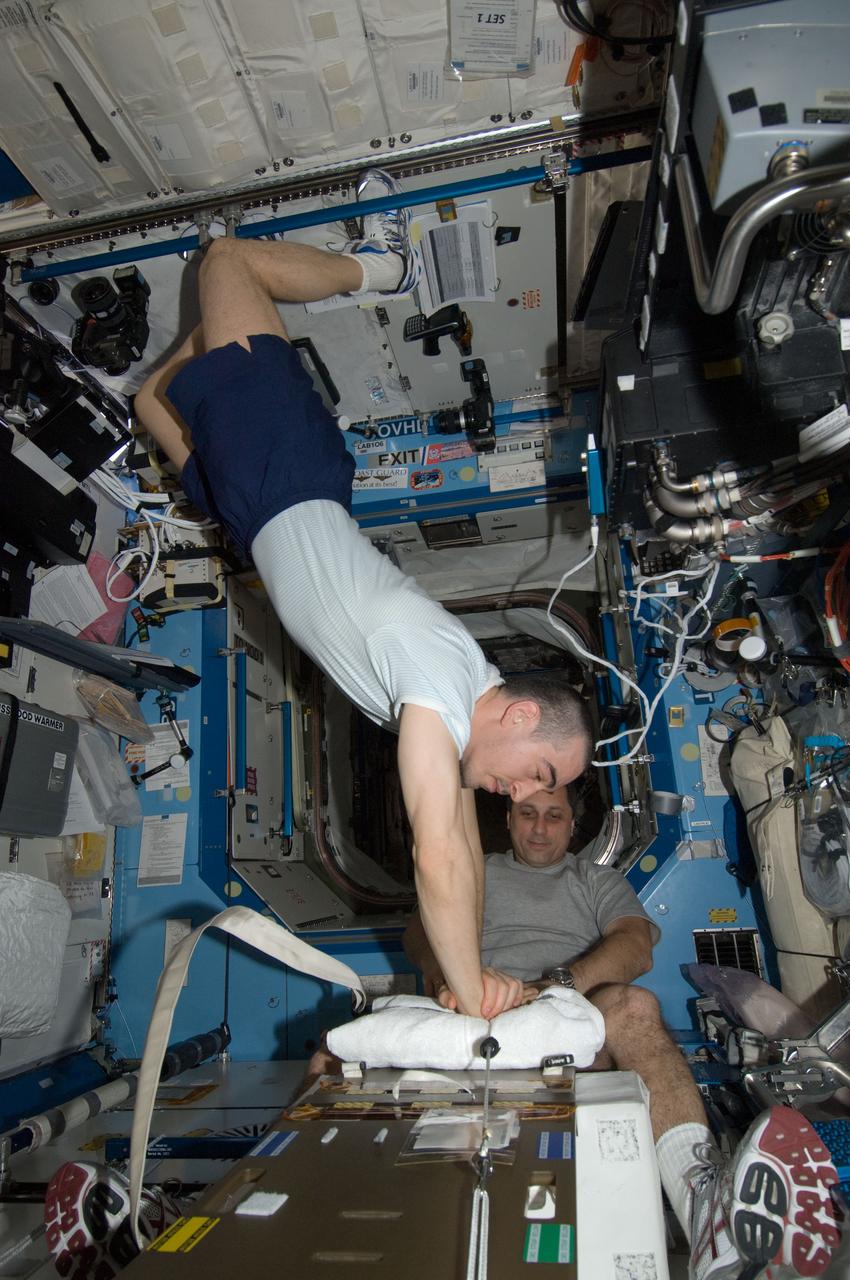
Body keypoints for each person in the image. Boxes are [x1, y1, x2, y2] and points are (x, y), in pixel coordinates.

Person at [133, 168, 592, 1022]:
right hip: (288, 474)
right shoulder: (436, 680)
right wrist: (463, 985)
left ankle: (234, 342)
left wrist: (476, 961)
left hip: (250, 514)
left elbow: (464, 847)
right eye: (537, 778)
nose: (525, 800)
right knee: (225, 260)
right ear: (522, 718)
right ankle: (383, 270)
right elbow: (441, 855)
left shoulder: (459, 712)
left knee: (148, 400)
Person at [404, 785, 843, 1280]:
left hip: (566, 1007)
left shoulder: (594, 879)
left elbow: (635, 945)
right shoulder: (478, 871)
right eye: (528, 814)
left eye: (554, 816)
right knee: (340, 1053)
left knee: (635, 1006)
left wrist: (554, 987)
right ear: (508, 820)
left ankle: (702, 1206)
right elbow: (420, 926)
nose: (540, 827)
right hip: (472, 1000)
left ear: (573, 825)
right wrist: (448, 979)